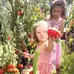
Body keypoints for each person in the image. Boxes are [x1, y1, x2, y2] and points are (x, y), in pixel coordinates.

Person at [44, 0, 66, 74]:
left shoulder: (61, 21)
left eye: (59, 11)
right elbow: (44, 31)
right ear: (51, 10)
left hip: (56, 43)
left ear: (62, 12)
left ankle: (56, 71)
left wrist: (62, 24)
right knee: (47, 57)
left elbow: (61, 34)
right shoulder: (47, 19)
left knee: (55, 58)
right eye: (54, 11)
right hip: (47, 42)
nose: (56, 13)